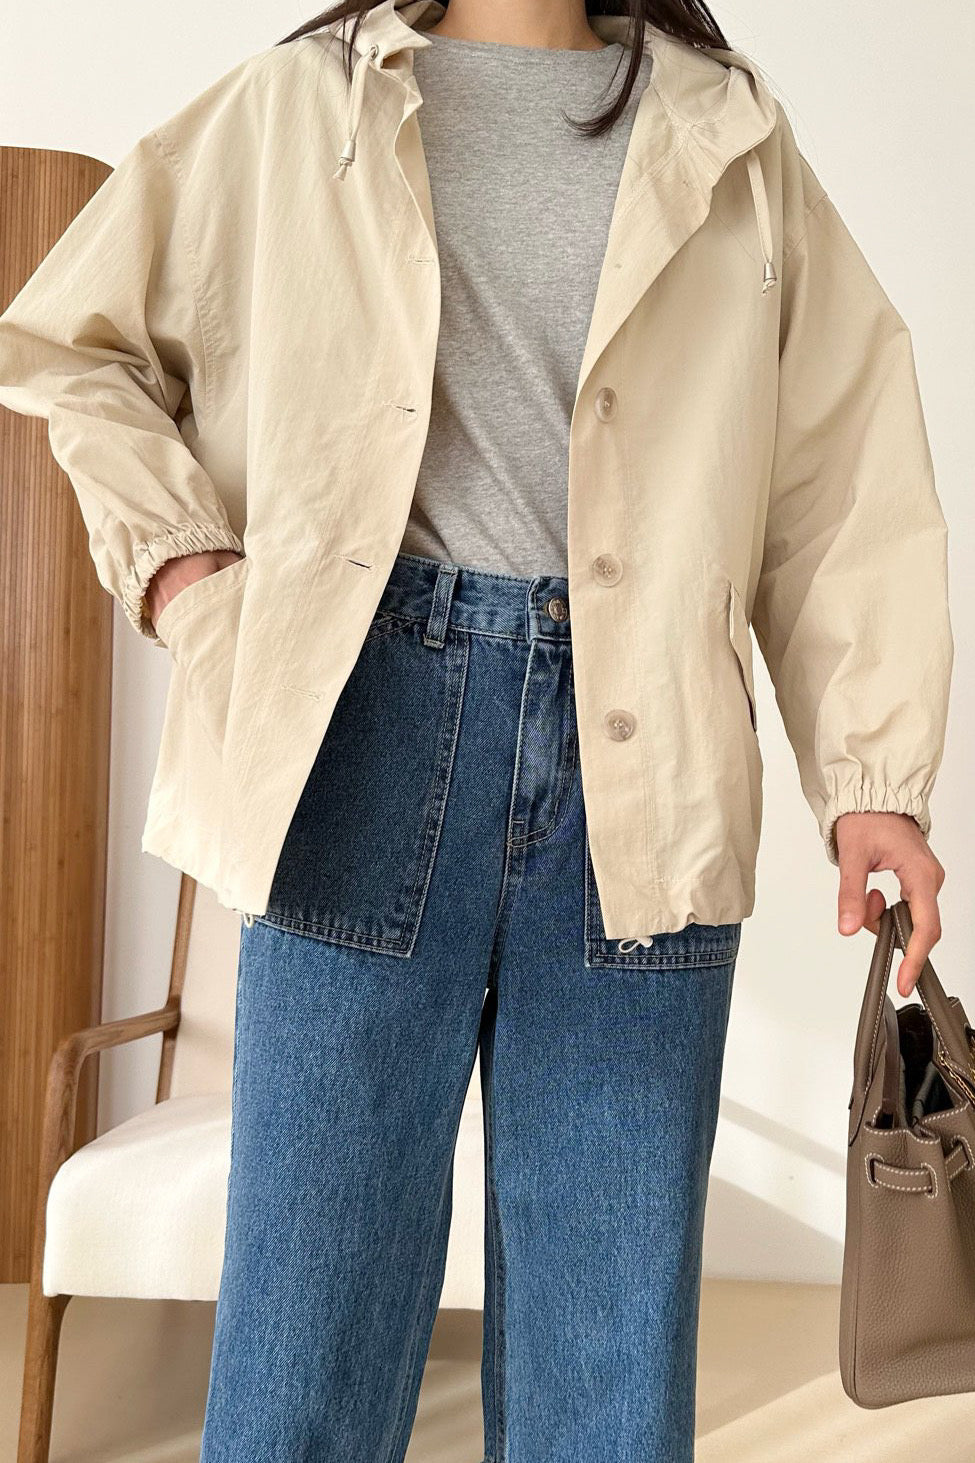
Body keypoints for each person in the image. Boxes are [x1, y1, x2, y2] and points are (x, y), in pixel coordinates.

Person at [0, 1, 953, 1458]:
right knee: (307, 1346)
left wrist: (871, 775)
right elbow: (76, 340)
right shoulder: (301, 104)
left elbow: (842, 471)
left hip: (647, 759)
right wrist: (187, 570)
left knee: (607, 1368)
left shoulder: (727, 133)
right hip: (356, 736)